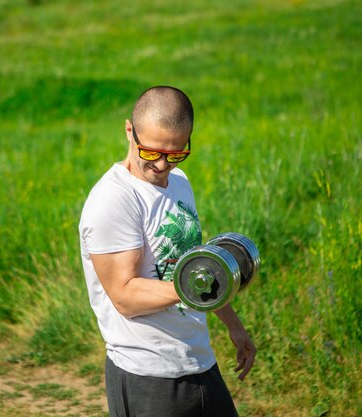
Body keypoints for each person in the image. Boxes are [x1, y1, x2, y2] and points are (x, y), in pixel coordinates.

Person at [79, 86, 256, 417]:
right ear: (130, 131)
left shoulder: (180, 183)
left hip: (199, 361)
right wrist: (192, 286)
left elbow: (192, 265)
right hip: (146, 374)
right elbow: (125, 296)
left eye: (175, 154)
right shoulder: (113, 200)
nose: (162, 165)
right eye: (151, 152)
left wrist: (233, 324)